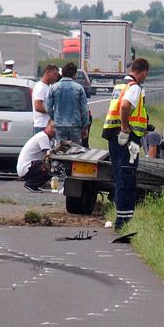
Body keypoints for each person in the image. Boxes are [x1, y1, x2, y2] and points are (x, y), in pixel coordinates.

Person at [101, 58, 150, 229]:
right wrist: (125, 128)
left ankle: (121, 219)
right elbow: (124, 106)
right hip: (125, 139)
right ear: (143, 72)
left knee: (120, 176)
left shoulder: (121, 85)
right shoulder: (134, 87)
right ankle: (123, 222)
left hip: (114, 137)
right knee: (127, 177)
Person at [45, 61, 89, 145]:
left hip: (59, 126)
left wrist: (55, 117)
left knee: (60, 151)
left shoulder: (54, 88)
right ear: (74, 74)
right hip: (75, 125)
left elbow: (48, 108)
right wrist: (85, 126)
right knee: (76, 151)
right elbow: (84, 109)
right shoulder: (79, 88)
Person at [16, 120, 55, 191]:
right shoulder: (42, 136)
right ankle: (31, 184)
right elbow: (48, 154)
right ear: (47, 126)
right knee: (52, 166)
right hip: (26, 168)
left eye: (56, 128)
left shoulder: (48, 138)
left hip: (30, 166)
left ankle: (38, 183)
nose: (54, 130)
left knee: (51, 165)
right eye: (52, 127)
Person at [31, 63, 60, 134]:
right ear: (47, 72)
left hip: (48, 125)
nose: (56, 77)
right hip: (42, 125)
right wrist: (54, 111)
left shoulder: (48, 87)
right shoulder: (40, 87)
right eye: (54, 74)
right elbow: (38, 106)